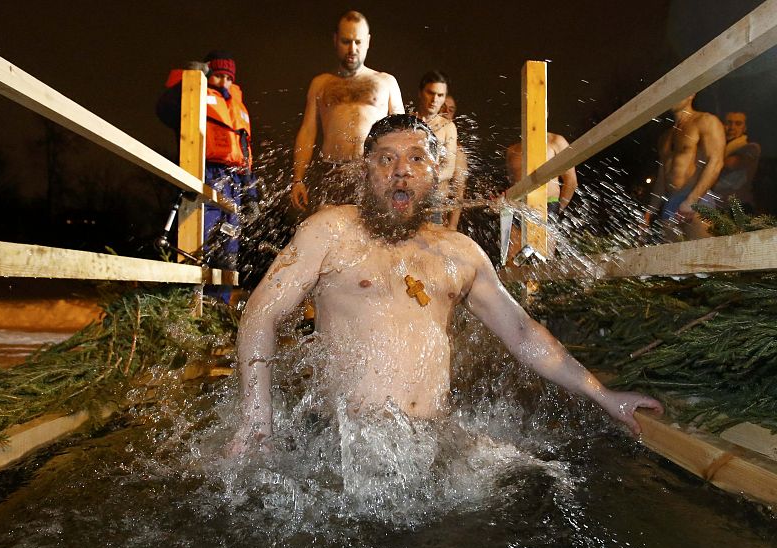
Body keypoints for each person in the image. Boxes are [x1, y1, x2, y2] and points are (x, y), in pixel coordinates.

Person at [229, 114, 662, 455]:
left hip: (432, 445)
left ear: (436, 172)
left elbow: (523, 333)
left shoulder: (459, 252)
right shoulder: (330, 231)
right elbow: (261, 314)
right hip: (344, 447)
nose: (401, 171)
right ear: (366, 171)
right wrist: (256, 421)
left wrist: (604, 396)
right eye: (386, 159)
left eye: (417, 159)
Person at [289, 10, 404, 212]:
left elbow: (402, 135)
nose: (352, 49)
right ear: (335, 40)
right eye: (346, 41)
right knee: (329, 228)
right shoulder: (321, 84)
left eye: (358, 42)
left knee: (371, 229)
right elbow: (307, 132)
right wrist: (298, 179)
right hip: (331, 171)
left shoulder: (386, 82)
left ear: (368, 42)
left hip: (373, 173)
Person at [156, 50, 257, 271]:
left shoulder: (238, 108)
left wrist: (251, 195)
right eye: (219, 75)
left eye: (229, 78)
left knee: (229, 247)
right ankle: (195, 290)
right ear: (209, 74)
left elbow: (244, 154)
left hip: (234, 183)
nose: (224, 82)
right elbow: (164, 109)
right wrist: (188, 80)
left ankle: (222, 293)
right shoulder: (194, 95)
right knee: (202, 241)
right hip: (204, 173)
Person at [648, 94, 725, 241]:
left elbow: (716, 162)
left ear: (691, 93)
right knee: (673, 255)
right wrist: (648, 214)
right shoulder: (665, 137)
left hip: (697, 197)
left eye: (677, 91)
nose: (672, 95)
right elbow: (661, 180)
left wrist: (692, 200)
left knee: (704, 253)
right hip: (670, 202)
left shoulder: (705, 121)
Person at [505, 132, 578, 261]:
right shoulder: (512, 150)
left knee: (542, 262)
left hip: (548, 206)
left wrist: (556, 209)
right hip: (518, 207)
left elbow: (571, 182)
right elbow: (511, 186)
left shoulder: (556, 141)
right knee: (514, 263)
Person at [413, 70, 457, 225]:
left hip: (433, 198)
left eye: (440, 95)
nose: (435, 100)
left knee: (432, 236)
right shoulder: (407, 121)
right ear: (420, 93)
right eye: (431, 93)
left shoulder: (447, 127)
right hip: (406, 193)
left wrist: (427, 179)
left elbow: (449, 168)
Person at [712, 111, 760, 213]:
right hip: (717, 206)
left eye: (738, 124)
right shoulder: (720, 146)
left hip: (738, 207)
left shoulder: (751, 147)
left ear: (744, 128)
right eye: (728, 123)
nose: (732, 127)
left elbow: (730, 164)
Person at [440, 94, 469, 230]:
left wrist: (452, 227)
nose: (446, 111)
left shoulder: (457, 151)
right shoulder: (417, 138)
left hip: (437, 217)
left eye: (451, 110)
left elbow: (459, 193)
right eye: (443, 106)